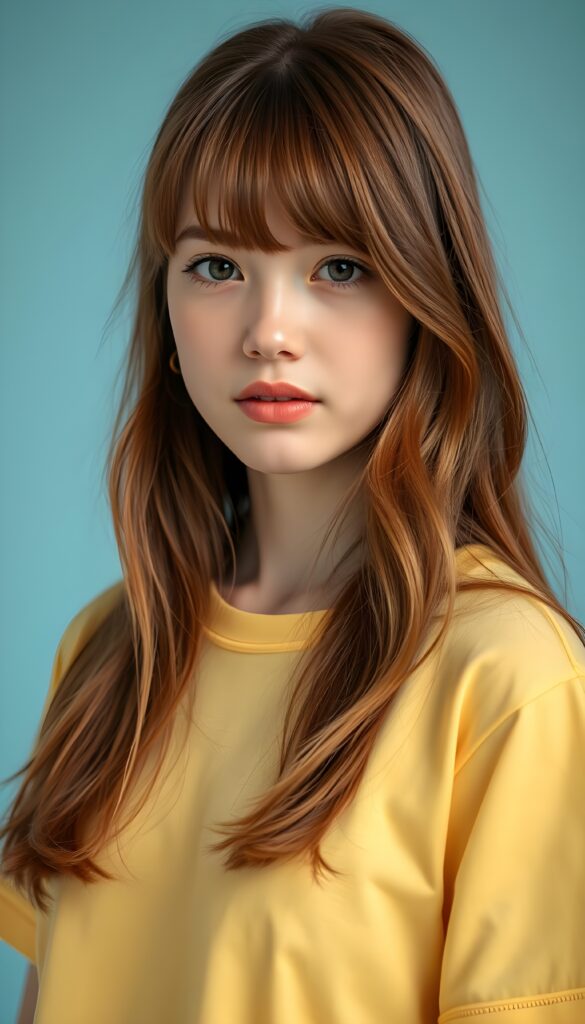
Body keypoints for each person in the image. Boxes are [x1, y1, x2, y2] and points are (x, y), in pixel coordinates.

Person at [2, 8, 585, 1023]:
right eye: (217, 266)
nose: (270, 330)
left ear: (427, 301)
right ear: (168, 314)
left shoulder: (508, 682)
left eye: (340, 268)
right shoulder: (103, 654)